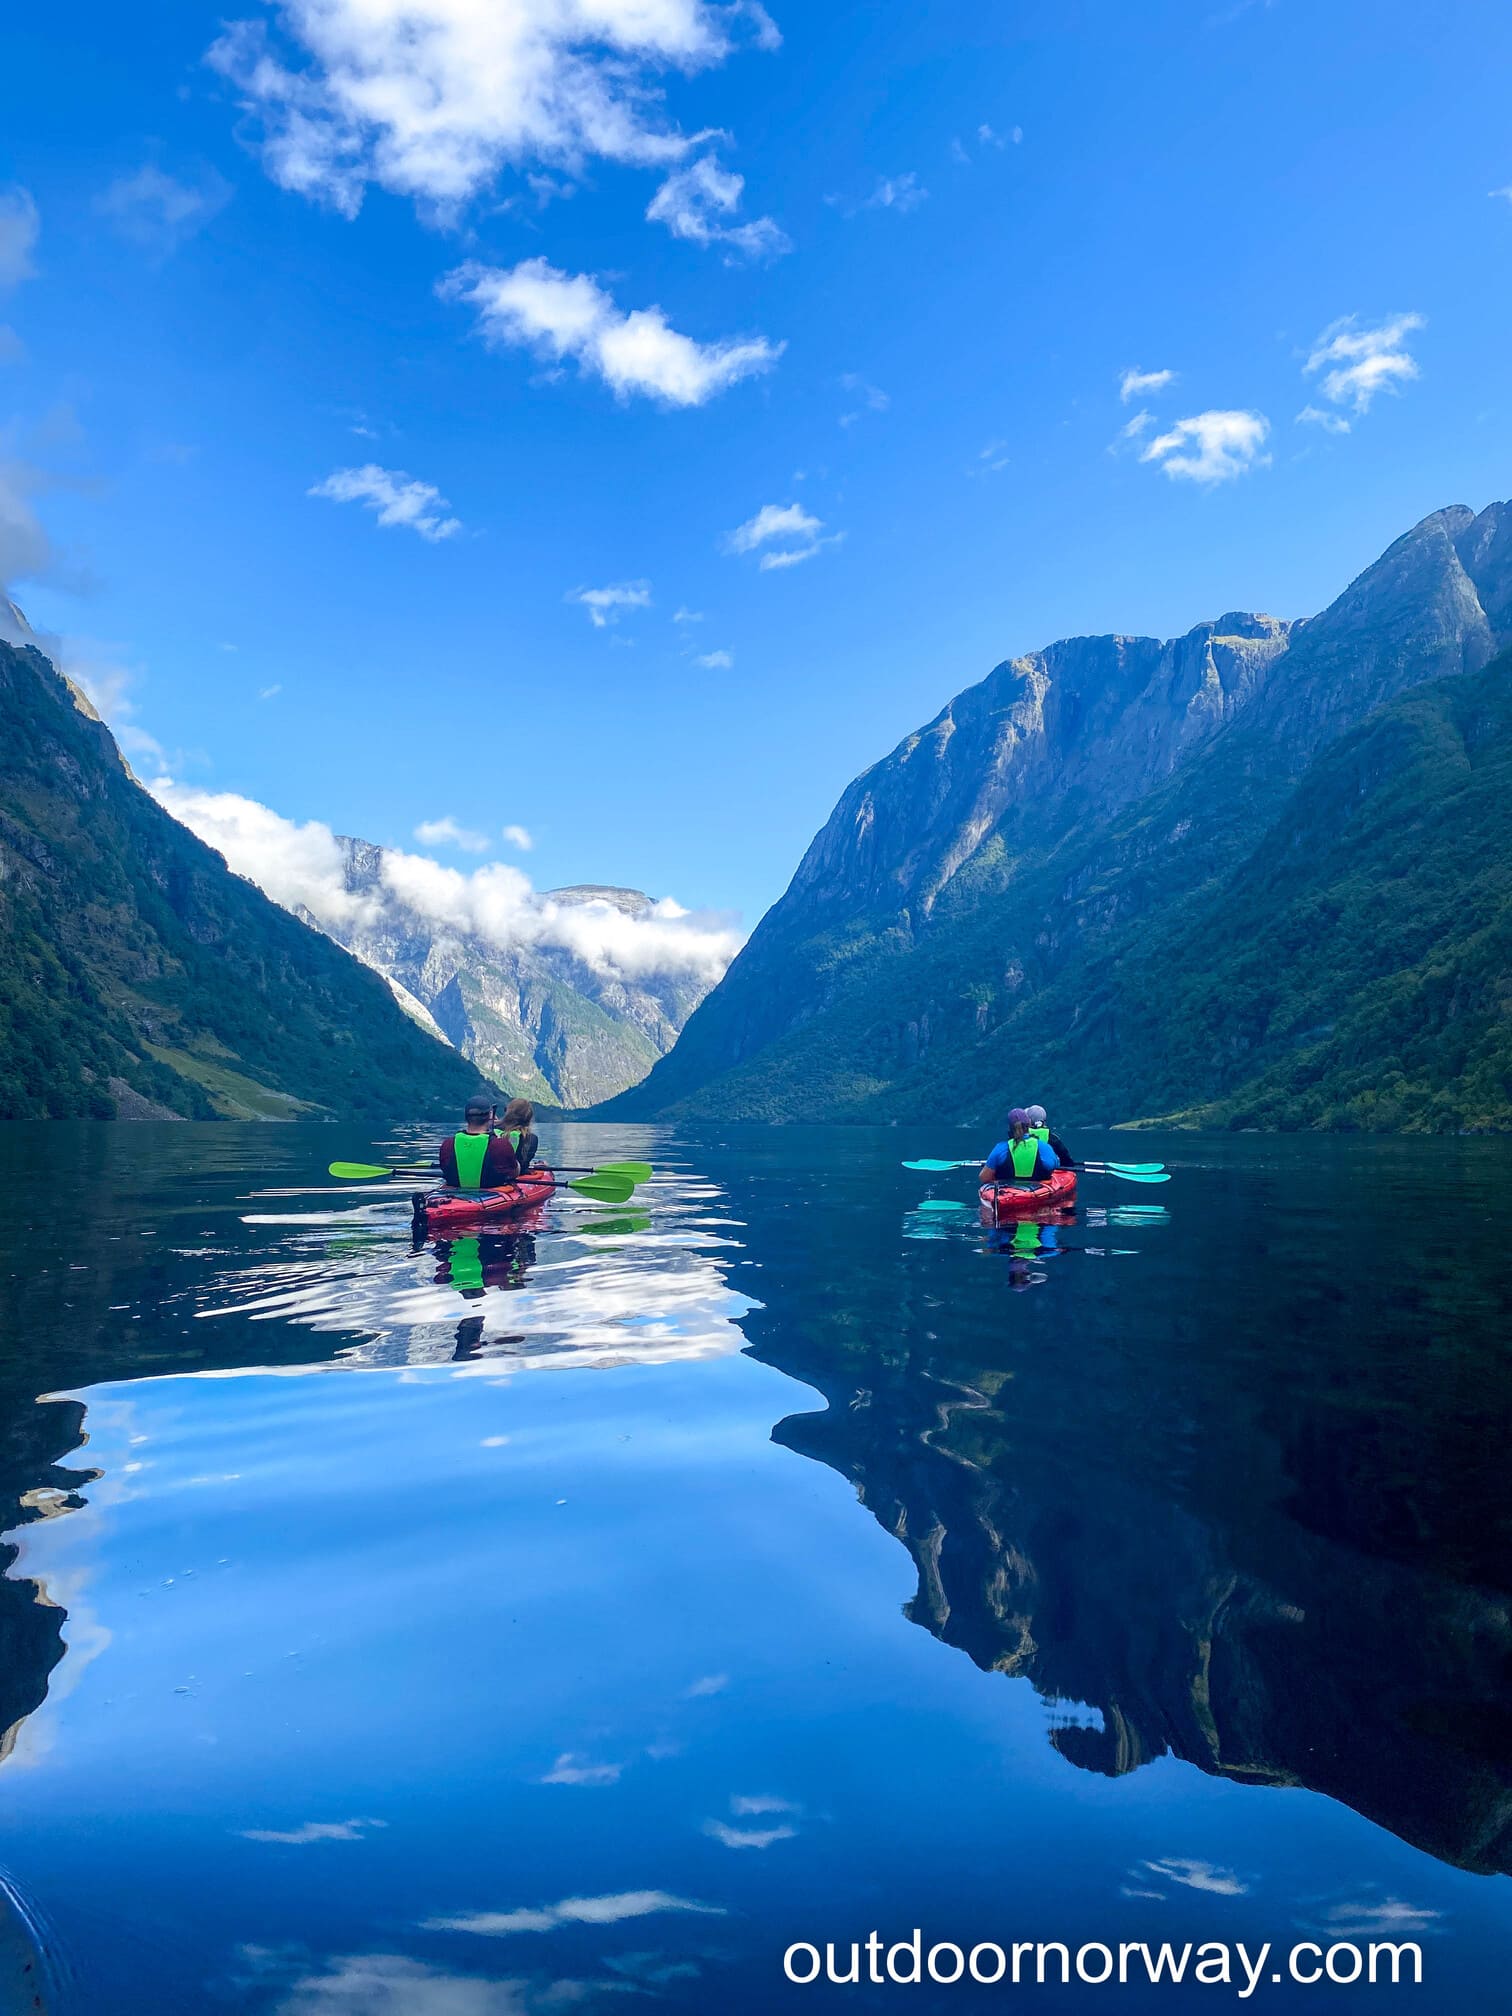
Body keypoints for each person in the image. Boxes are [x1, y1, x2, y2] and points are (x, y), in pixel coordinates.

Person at [438, 1092, 520, 1190]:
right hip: (492, 1197)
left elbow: (445, 1169)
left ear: (466, 1117)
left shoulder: (447, 1144)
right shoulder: (500, 1145)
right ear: (491, 1115)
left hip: (454, 1197)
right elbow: (514, 1173)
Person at [979, 1108, 1060, 1187]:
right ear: (1029, 1125)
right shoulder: (1045, 1148)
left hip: (1007, 1194)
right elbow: (1054, 1167)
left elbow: (984, 1178)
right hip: (1039, 1194)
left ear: (1009, 1128)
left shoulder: (1000, 1149)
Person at [1025, 1104, 1073, 1169]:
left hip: (1026, 1170)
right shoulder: (1053, 1139)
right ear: (1044, 1121)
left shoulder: (1021, 1137)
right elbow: (1067, 1161)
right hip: (1046, 1173)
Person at [499, 1097, 539, 1173]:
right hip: (518, 1174)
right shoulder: (532, 1139)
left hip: (495, 1177)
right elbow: (524, 1163)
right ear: (529, 1117)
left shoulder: (494, 1132)